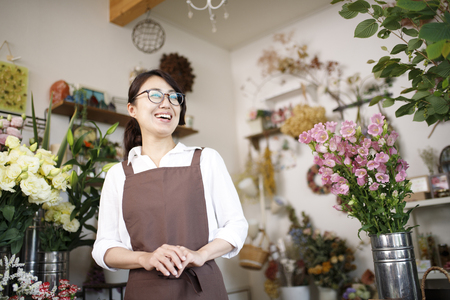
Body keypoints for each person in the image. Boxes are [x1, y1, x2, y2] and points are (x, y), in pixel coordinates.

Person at [92, 69, 248, 299]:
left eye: (174, 97)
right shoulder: (119, 175)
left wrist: (201, 255)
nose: (167, 103)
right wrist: (144, 258)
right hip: (144, 291)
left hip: (203, 289)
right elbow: (104, 247)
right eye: (155, 95)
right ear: (132, 109)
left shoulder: (206, 160)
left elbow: (236, 225)